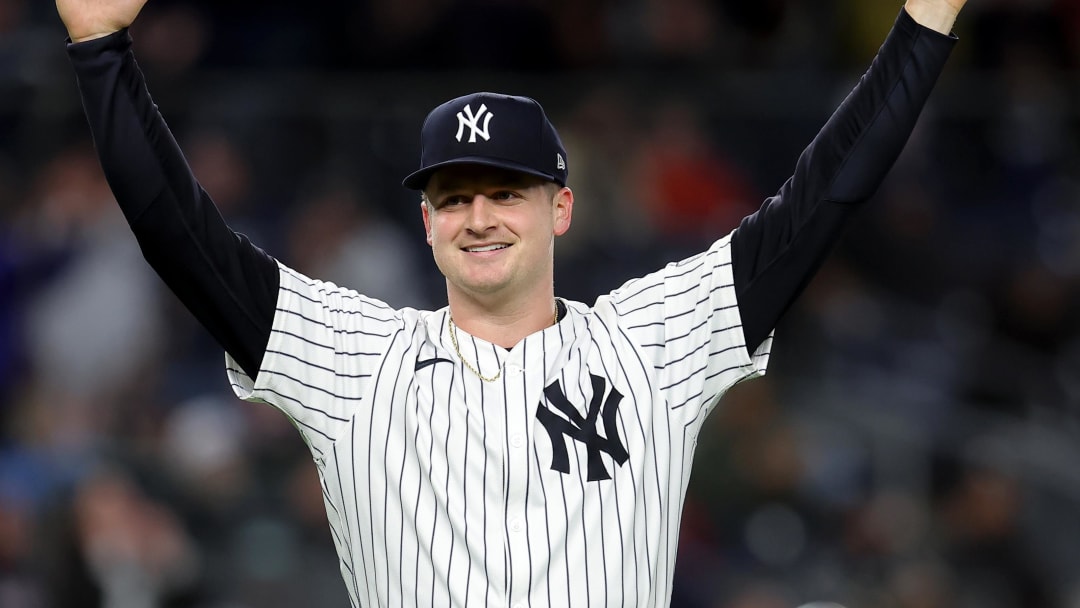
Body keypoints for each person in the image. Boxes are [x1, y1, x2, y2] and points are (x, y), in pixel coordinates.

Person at [55, 0, 966, 605]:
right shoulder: (353, 358)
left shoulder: (652, 342)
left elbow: (824, 197)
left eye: (507, 191)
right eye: (454, 197)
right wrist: (100, 51)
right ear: (425, 222)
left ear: (561, 207)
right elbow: (178, 232)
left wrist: (925, 23)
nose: (480, 216)